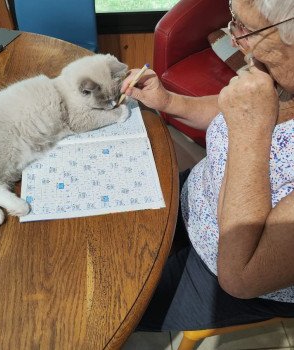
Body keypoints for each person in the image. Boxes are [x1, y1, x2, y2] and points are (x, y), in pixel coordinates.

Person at [120, 0, 294, 331]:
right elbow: (235, 107)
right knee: (111, 242)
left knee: (113, 304)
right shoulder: (276, 72)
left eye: (244, 28)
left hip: (222, 270)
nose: (233, 38)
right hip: (194, 196)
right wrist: (169, 101)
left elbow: (241, 277)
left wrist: (249, 133)